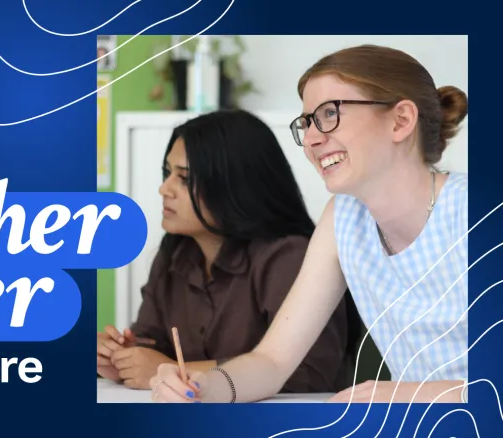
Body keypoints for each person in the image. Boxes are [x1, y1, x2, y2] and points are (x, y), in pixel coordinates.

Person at [149, 44, 469, 404]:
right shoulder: (343, 218)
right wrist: (204, 386)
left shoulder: (474, 211)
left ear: (401, 121)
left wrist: (407, 394)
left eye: (330, 114)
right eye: (307, 122)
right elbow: (271, 361)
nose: (313, 139)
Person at [97, 109, 359, 392]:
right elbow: (153, 343)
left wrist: (170, 371)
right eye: (167, 173)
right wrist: (123, 357)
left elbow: (310, 372)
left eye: (184, 179)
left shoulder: (288, 257)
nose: (164, 189)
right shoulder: (174, 252)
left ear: (234, 185)